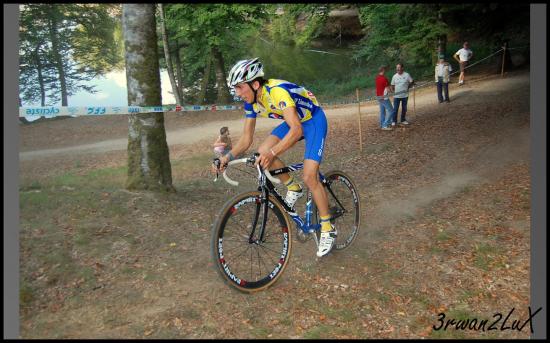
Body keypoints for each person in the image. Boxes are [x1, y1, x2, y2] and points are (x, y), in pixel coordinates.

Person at [215, 58, 337, 257]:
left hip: (312, 120)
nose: (237, 93)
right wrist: (226, 157)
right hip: (293, 122)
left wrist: (273, 153)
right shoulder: (252, 102)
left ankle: (327, 227)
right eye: (235, 89)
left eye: (239, 87)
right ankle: (292, 186)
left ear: (255, 84)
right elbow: (246, 139)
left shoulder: (277, 91)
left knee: (309, 175)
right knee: (262, 151)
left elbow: (296, 130)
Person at [375, 65, 394, 130]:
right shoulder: (384, 78)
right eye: (385, 70)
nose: (386, 71)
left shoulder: (377, 78)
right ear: (383, 70)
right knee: (391, 110)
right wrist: (393, 92)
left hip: (378, 97)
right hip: (383, 97)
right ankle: (385, 125)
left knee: (382, 111)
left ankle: (382, 124)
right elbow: (388, 89)